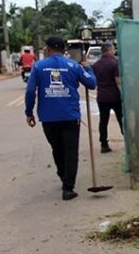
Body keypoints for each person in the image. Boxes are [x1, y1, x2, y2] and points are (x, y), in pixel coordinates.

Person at [24, 36, 97, 201]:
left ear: (48, 49)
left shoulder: (38, 67)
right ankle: (68, 187)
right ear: (64, 49)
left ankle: (63, 176)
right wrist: (89, 68)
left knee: (57, 149)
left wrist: (29, 112)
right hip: (70, 116)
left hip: (49, 118)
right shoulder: (74, 66)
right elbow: (92, 83)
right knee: (71, 151)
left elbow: (30, 92)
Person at [92, 42, 123, 153]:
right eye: (113, 49)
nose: (114, 51)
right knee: (121, 119)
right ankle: (128, 142)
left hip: (102, 97)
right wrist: (122, 95)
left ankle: (104, 144)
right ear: (109, 50)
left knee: (103, 121)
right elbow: (118, 81)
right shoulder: (115, 63)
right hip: (115, 96)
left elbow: (93, 81)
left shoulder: (95, 65)